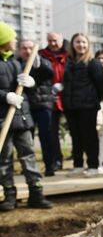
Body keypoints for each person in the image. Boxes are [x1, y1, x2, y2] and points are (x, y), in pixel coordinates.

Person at [0, 22, 52, 210]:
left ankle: (36, 193)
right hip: (2, 120)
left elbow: (46, 73)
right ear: (3, 41)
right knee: (4, 159)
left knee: (28, 155)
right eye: (11, 38)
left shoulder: (17, 62)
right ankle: (9, 196)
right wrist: (5, 96)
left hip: (22, 118)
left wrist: (31, 84)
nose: (15, 41)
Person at [63, 33, 103, 178]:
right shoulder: (68, 62)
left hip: (88, 107)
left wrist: (93, 99)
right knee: (75, 136)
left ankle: (93, 165)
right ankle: (78, 165)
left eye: (83, 42)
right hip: (71, 106)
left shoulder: (93, 63)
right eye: (77, 42)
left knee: (89, 137)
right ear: (72, 44)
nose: (81, 45)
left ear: (88, 45)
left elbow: (102, 86)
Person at [18, 39, 56, 176]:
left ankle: (50, 166)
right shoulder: (16, 63)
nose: (27, 51)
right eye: (24, 48)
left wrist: (37, 63)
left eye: (30, 48)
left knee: (46, 136)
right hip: (26, 108)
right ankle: (29, 168)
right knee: (27, 140)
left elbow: (49, 72)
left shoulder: (42, 61)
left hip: (43, 105)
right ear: (19, 50)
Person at [39, 32, 68, 172]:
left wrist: (63, 84)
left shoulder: (69, 55)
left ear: (61, 41)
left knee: (77, 131)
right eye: (50, 40)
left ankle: (79, 161)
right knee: (52, 132)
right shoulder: (41, 55)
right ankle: (56, 161)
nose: (53, 43)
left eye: (55, 40)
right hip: (49, 99)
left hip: (69, 97)